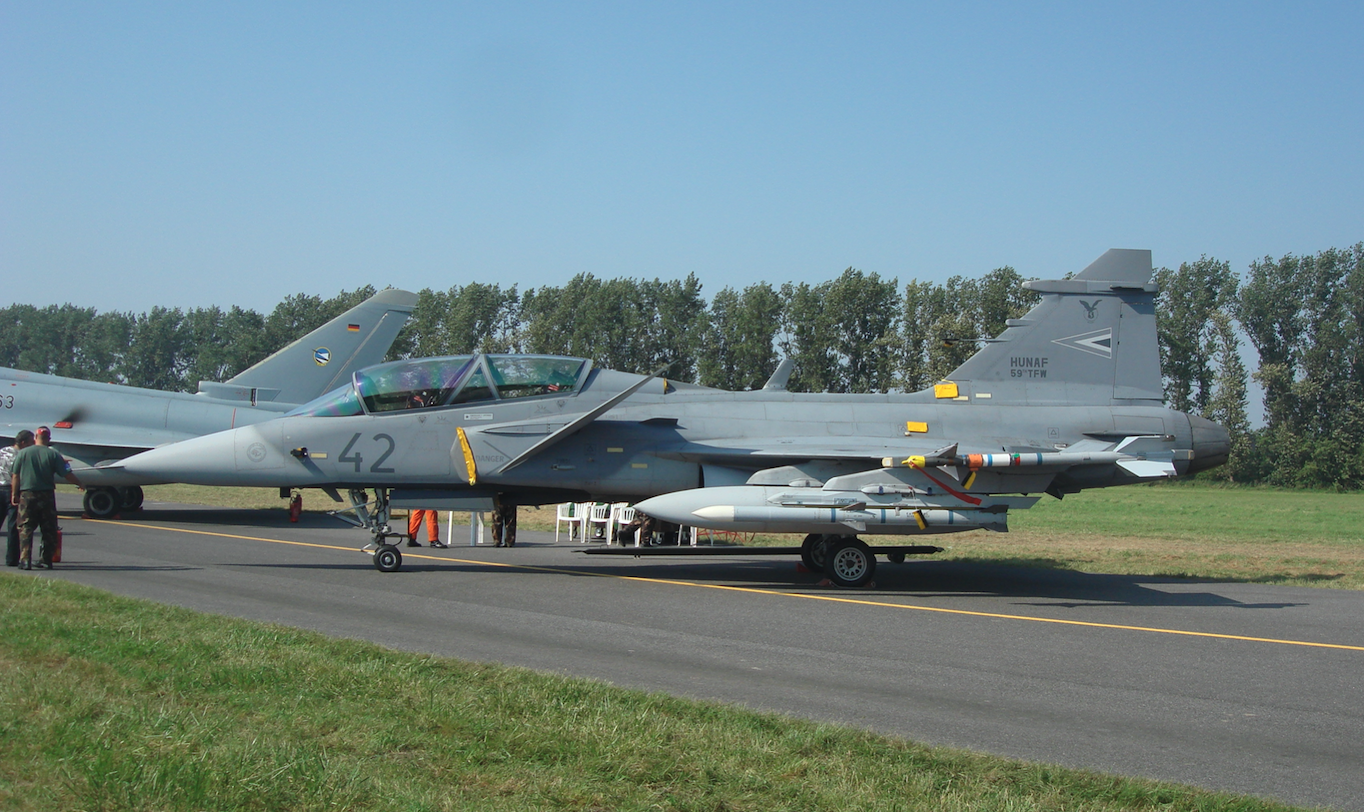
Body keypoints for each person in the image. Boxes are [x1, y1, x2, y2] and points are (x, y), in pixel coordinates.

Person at [9, 429, 84, 570]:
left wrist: (14, 493)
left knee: (26, 527)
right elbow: (66, 473)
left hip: (27, 494)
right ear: (48, 438)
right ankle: (45, 559)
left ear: (36, 437)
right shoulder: (53, 454)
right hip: (46, 495)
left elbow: (16, 475)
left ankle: (25, 559)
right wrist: (79, 483)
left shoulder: (23, 453)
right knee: (48, 528)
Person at [0, 435, 23, 567]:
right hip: (11, 489)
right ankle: (12, 559)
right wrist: (15, 493)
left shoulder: (3, 451)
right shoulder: (21, 455)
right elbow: (16, 475)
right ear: (24, 442)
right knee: (13, 526)